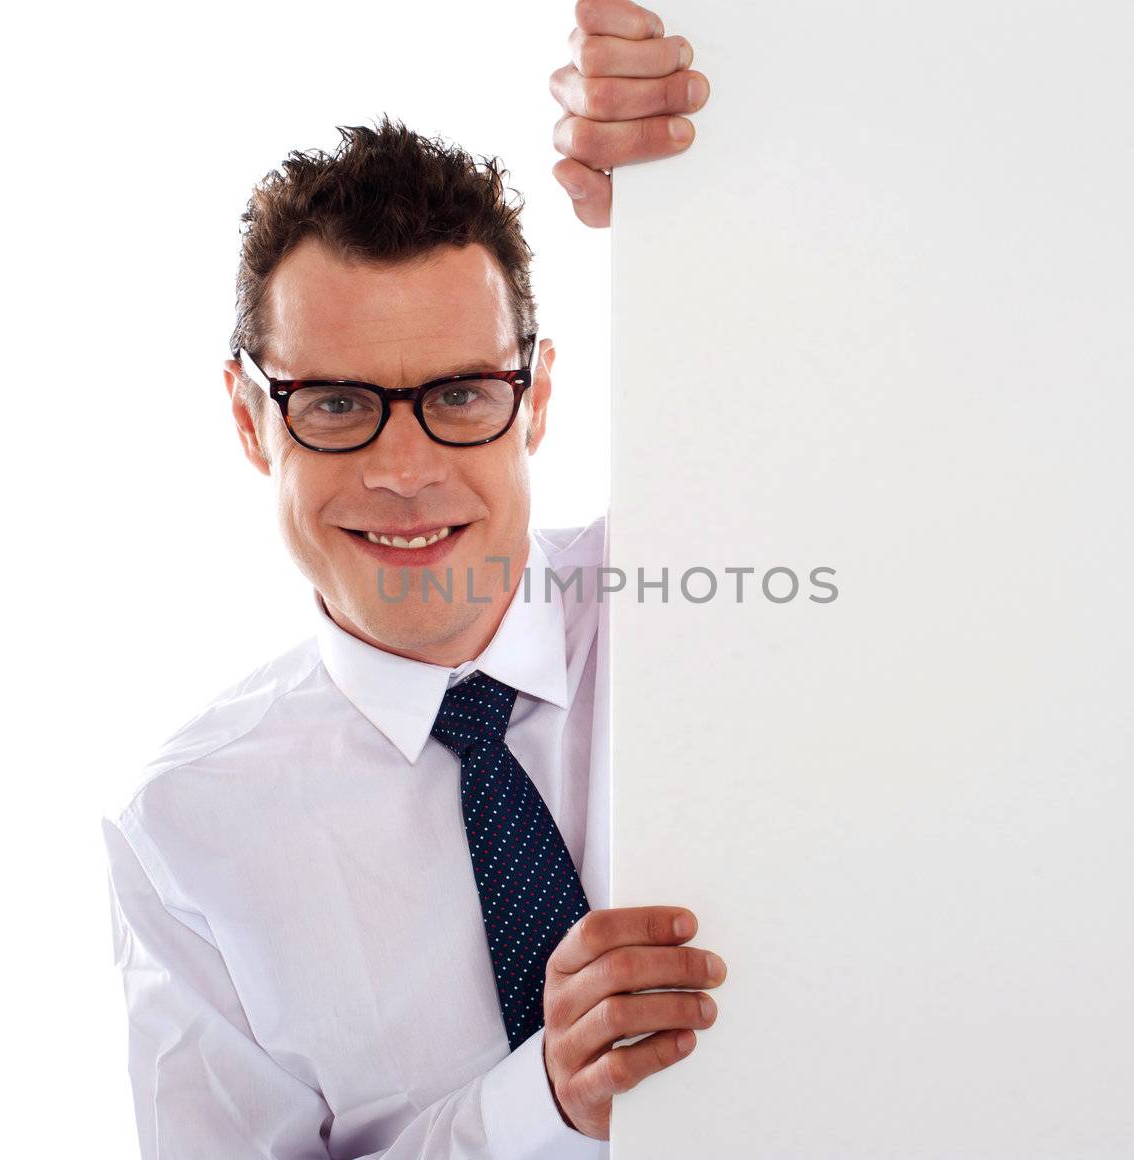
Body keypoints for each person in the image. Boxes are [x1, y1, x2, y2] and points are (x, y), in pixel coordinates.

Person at [102, 2, 719, 1156]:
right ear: (249, 418)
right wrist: (544, 1103)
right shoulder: (182, 830)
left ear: (533, 397)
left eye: (459, 394)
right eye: (335, 404)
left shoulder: (689, 590)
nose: (402, 469)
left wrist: (708, 178)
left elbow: (891, 386)